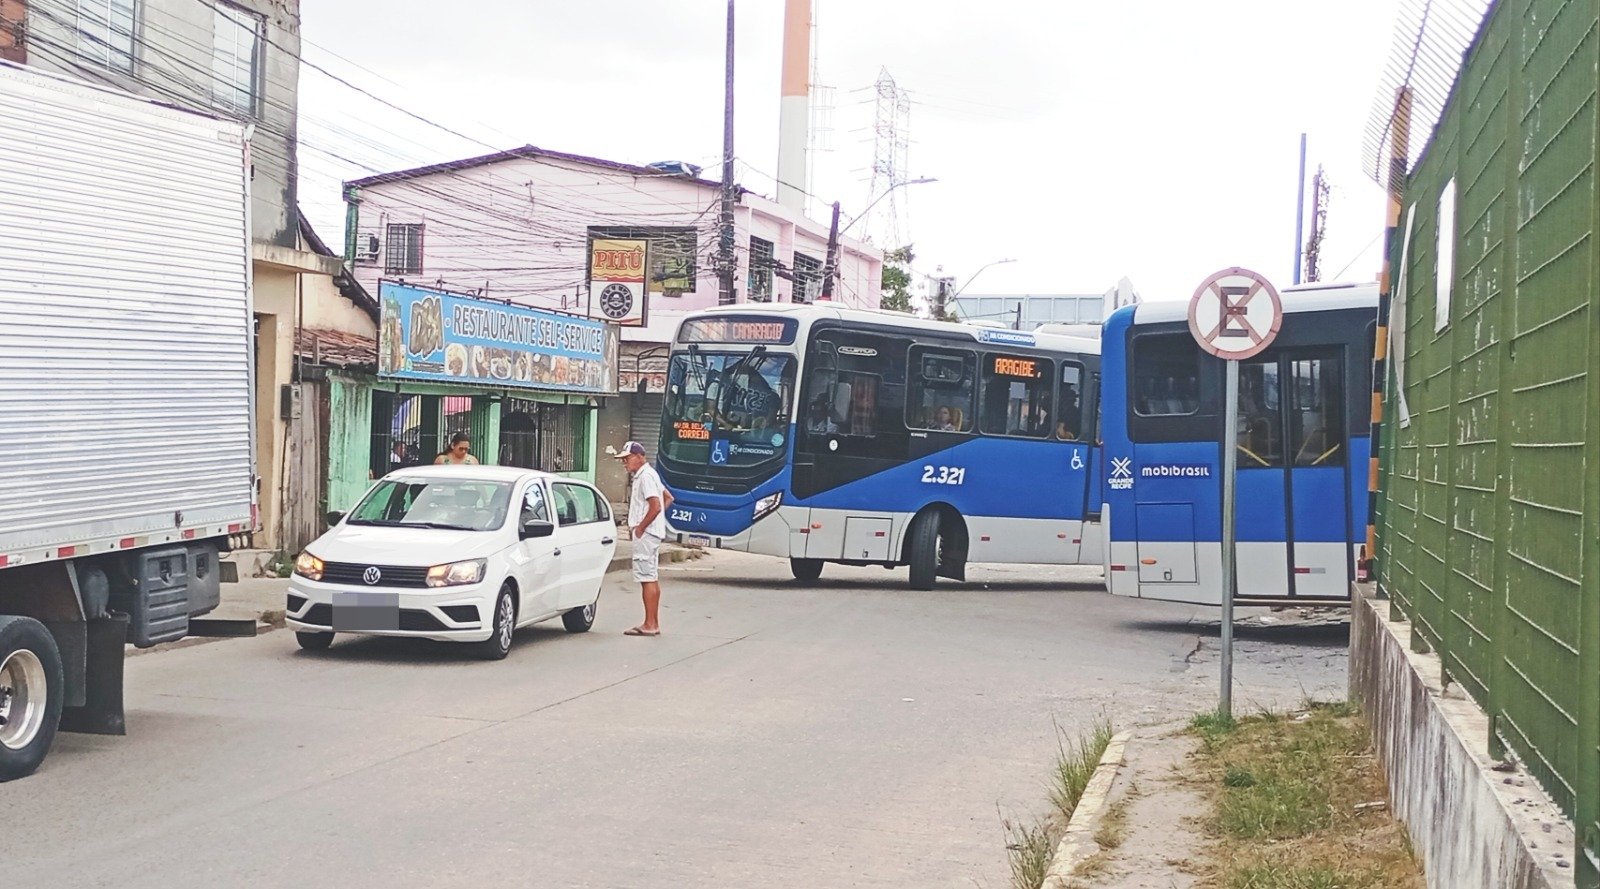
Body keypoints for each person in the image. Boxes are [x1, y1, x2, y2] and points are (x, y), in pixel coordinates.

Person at [615, 441, 668, 637]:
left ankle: (650, 624)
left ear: (639, 456)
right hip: (651, 533)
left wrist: (641, 528)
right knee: (651, 577)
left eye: (627, 459)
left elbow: (656, 506)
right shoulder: (650, 474)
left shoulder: (645, 477)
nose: (625, 463)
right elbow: (667, 498)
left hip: (646, 534)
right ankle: (652, 622)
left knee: (646, 578)